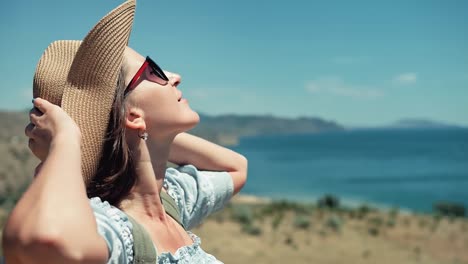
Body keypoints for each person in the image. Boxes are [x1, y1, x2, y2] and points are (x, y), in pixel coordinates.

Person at [1, 0, 248, 263]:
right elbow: (37, 243)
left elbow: (236, 167)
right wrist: (66, 140)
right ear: (131, 114)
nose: (175, 76)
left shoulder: (171, 203)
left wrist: (135, 134)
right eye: (153, 71)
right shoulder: (114, 230)